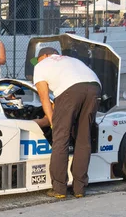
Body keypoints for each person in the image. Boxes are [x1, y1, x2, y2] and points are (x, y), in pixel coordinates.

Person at [32, 47, 101, 199]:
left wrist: (52, 122)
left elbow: (44, 98)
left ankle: (59, 188)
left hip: (70, 91)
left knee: (61, 139)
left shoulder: (40, 65)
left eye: (37, 59)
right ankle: (79, 188)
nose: (36, 62)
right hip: (95, 87)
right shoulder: (72, 60)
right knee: (83, 139)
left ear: (44, 56)